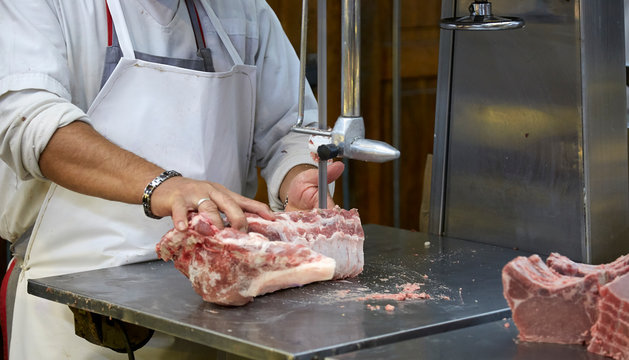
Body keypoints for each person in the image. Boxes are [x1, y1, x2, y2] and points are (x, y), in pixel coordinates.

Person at [0, 0, 344, 358]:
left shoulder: (244, 10)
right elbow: (25, 120)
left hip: (217, 304)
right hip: (75, 310)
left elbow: (289, 129)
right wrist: (164, 186)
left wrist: (296, 177)